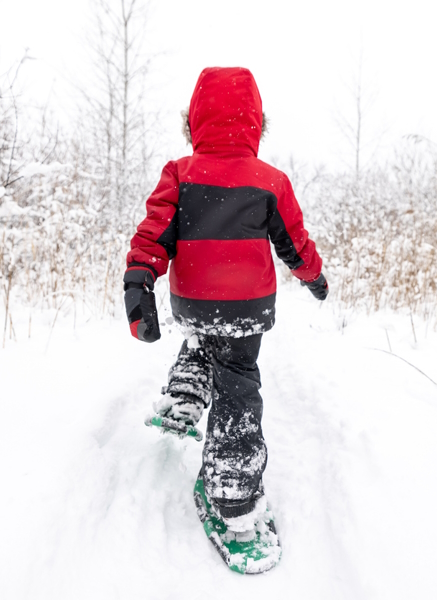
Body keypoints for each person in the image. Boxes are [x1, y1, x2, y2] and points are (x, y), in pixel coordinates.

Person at [123, 66, 328, 530]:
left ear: (194, 124)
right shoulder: (270, 180)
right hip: (248, 306)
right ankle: (233, 491)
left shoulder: (180, 173)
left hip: (192, 300)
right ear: (256, 124)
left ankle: (186, 391)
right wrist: (314, 278)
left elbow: (154, 234)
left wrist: (139, 278)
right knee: (236, 376)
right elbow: (294, 243)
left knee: (199, 337)